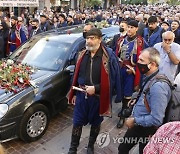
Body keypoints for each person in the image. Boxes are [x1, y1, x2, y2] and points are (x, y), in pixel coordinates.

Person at [68, 28, 122, 154]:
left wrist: (96, 88)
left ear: (100, 39)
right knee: (77, 121)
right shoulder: (82, 54)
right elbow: (76, 74)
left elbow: (113, 79)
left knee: (96, 123)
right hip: (82, 95)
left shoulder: (108, 56)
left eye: (92, 38)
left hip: (98, 97)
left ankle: (90, 146)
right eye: (87, 38)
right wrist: (75, 92)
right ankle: (73, 148)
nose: (89, 41)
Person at [118, 47, 171, 154]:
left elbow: (157, 119)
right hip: (139, 123)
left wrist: (134, 120)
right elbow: (145, 93)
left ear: (152, 64)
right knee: (123, 149)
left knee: (144, 151)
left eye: (142, 60)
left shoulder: (159, 87)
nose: (138, 62)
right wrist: (135, 98)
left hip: (148, 128)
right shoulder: (149, 76)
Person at [115, 20, 148, 128]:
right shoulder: (121, 40)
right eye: (128, 27)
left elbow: (145, 58)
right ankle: (124, 109)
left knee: (127, 94)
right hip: (120, 70)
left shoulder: (140, 42)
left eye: (132, 27)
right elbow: (116, 55)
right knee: (120, 92)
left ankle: (123, 117)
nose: (129, 29)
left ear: (136, 29)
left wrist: (134, 69)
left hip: (131, 72)